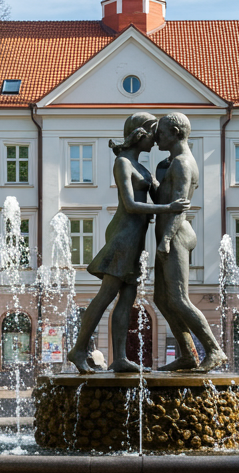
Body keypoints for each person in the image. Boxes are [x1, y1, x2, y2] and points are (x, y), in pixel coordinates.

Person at [66, 112, 189, 374]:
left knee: (127, 298)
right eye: (153, 133)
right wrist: (170, 207)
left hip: (136, 240)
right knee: (106, 295)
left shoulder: (143, 168)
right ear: (140, 134)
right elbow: (131, 205)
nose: (156, 139)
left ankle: (119, 357)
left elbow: (158, 195)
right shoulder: (123, 163)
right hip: (123, 236)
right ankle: (78, 350)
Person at [151, 112, 228, 372]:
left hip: (176, 235)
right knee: (161, 299)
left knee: (179, 298)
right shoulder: (172, 163)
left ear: (175, 132)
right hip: (168, 235)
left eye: (161, 132)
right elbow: (164, 200)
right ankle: (187, 354)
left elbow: (180, 207)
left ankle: (214, 350)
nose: (157, 137)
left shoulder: (183, 163)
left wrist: (166, 240)